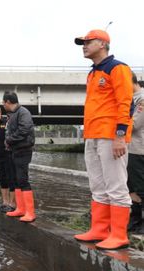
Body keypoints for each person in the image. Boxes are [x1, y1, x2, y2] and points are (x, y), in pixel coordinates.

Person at [73, 29, 134, 250]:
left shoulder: (117, 68)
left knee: (116, 185)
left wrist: (120, 136)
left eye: (88, 42)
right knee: (97, 185)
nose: (84, 45)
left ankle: (119, 235)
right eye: (83, 43)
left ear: (102, 43)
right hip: (93, 135)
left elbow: (125, 102)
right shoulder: (92, 73)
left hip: (110, 136)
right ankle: (99, 229)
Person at [2, 91, 36, 222]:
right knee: (16, 180)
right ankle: (20, 209)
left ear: (8, 102)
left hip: (24, 150)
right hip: (15, 150)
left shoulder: (23, 112)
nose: (3, 105)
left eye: (3, 103)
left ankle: (30, 212)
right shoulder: (13, 114)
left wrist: (9, 140)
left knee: (22, 179)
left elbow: (24, 130)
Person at [127, 73, 144, 233]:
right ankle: (136, 220)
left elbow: (135, 125)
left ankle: (140, 221)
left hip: (138, 149)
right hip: (130, 148)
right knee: (130, 186)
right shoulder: (132, 98)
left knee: (140, 186)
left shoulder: (141, 98)